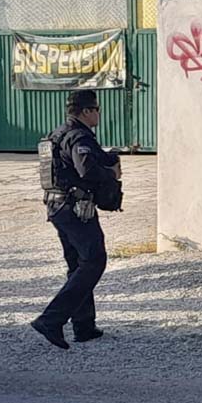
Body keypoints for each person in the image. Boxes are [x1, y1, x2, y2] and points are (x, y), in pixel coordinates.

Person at [30, 89, 121, 350]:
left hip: (58, 207)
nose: (99, 115)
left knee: (78, 264)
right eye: (96, 110)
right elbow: (88, 170)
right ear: (86, 112)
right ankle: (51, 319)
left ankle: (84, 326)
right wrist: (110, 173)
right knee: (94, 260)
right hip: (74, 208)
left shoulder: (58, 134)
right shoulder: (79, 136)